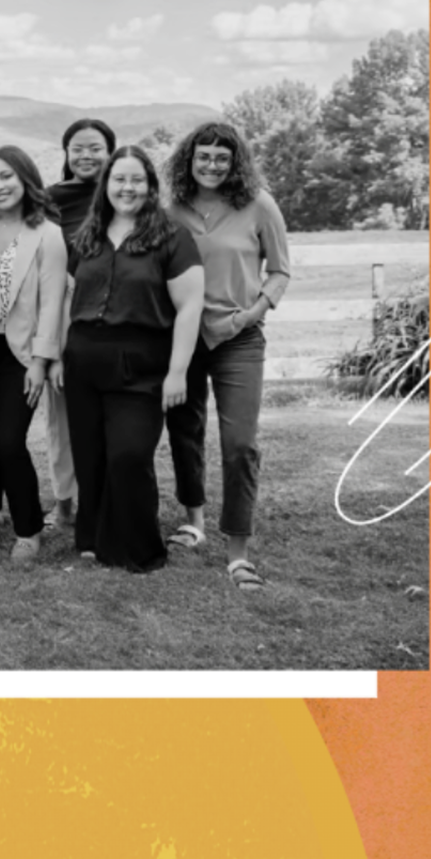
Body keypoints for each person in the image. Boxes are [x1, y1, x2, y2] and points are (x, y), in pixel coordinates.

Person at [61, 146, 204, 573]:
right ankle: (93, 540)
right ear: (106, 186)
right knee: (91, 457)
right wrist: (53, 356)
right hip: (83, 359)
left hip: (142, 364)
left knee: (129, 454)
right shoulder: (85, 238)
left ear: (150, 185)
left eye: (136, 179)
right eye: (119, 179)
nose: (127, 187)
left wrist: (178, 372)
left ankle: (139, 548)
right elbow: (68, 297)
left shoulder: (173, 237)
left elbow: (190, 307)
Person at [161, 123, 289, 591]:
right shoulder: (171, 208)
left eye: (221, 157)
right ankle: (193, 522)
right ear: (188, 160)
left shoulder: (259, 204)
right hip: (183, 337)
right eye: (203, 156)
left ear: (235, 161)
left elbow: (280, 271)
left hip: (239, 338)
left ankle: (238, 553)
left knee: (240, 444)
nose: (212, 164)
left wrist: (253, 312)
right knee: (184, 430)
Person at [0, 146, 67, 561]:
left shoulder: (47, 233)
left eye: (6, 176)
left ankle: (28, 529)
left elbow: (52, 303)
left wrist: (41, 362)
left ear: (25, 178)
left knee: (8, 441)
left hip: (19, 353)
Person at [41, 119, 115, 530]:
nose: (86, 156)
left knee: (109, 416)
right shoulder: (51, 200)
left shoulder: (124, 194)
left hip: (113, 316)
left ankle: (102, 495)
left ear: (111, 151)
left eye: (95, 148)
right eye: (78, 149)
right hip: (65, 313)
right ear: (66, 154)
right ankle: (64, 501)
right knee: (62, 417)